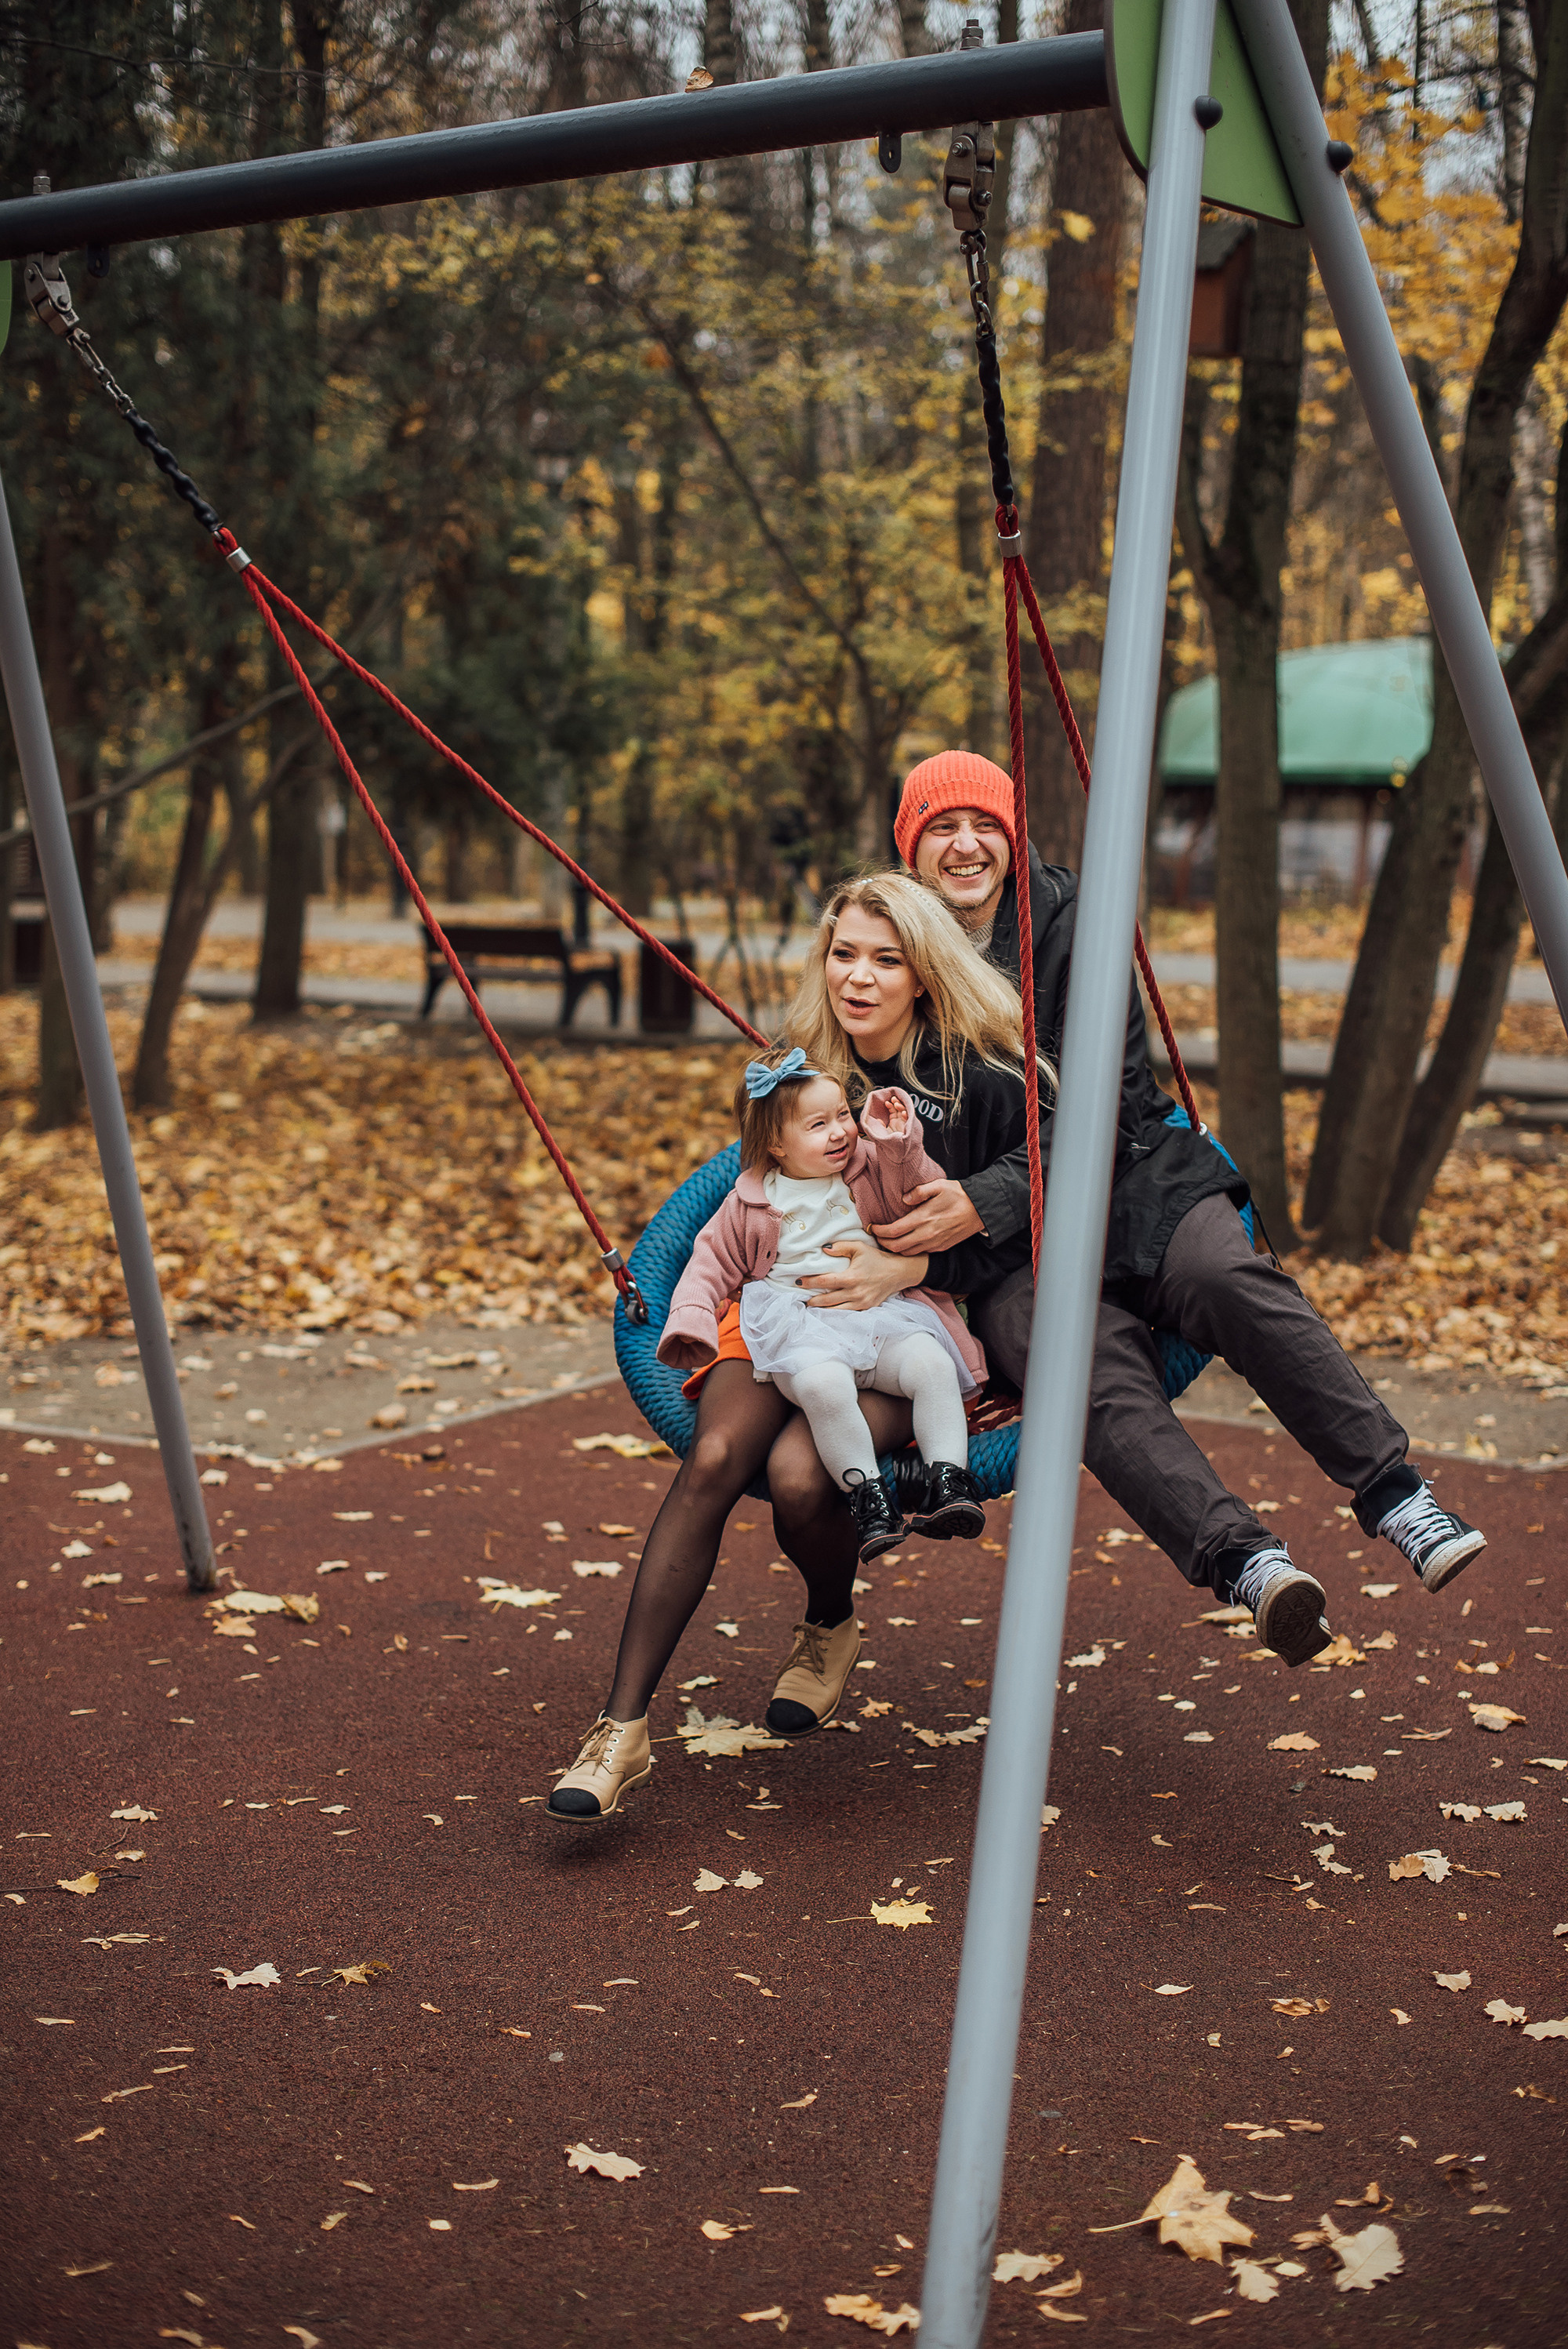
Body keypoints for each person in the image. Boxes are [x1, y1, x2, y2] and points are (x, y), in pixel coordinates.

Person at [873, 747, 1485, 1668]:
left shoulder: (1073, 920)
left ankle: (1394, 1494)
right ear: (908, 847)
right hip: (1004, 1250)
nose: (964, 845)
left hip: (1124, 1174)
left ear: (1012, 832)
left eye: (983, 823)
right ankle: (1246, 1563)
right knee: (1076, 1365)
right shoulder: (892, 944)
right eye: (939, 828)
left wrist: (986, 1194)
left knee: (1223, 1272)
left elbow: (1105, 1096)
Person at [546, 873, 1040, 1825]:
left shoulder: (953, 1077)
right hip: (773, 1312)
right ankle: (621, 1730)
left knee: (802, 1473)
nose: (857, 976)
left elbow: (967, 1211)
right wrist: (696, 1310)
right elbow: (746, 1194)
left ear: (925, 974)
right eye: (843, 953)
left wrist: (897, 1263)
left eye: (885, 958)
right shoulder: (806, 1069)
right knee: (719, 1455)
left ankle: (827, 1621)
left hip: (885, 1324)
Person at [657, 1046, 988, 1563]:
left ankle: (949, 1481)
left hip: (879, 1315)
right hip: (800, 1329)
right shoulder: (750, 1202)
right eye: (818, 1124)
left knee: (931, 1364)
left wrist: (900, 1144)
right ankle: (869, 1498)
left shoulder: (869, 1169)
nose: (839, 1132)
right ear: (776, 1145)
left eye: (842, 1115)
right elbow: (709, 1265)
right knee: (822, 1386)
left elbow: (920, 1190)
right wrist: (691, 1322)